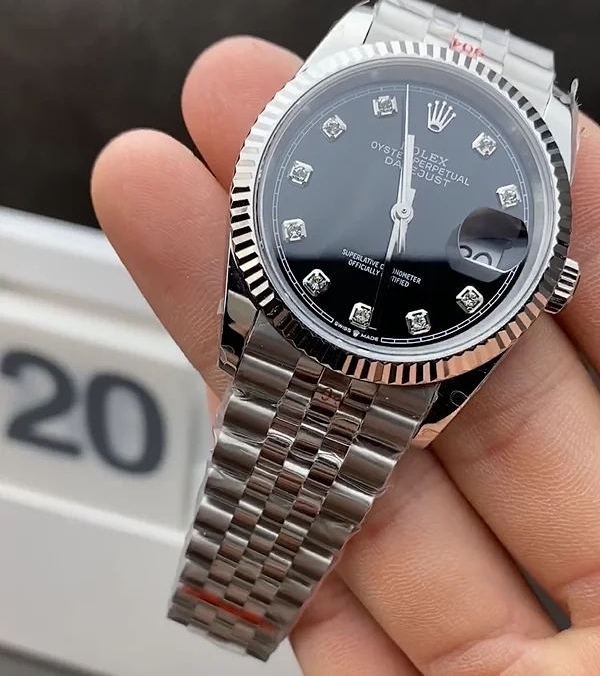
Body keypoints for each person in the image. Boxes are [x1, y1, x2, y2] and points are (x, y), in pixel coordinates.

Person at [91, 35, 600, 676]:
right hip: (288, 316)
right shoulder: (351, 74)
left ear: (549, 281)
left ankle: (232, 609)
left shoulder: (532, 186)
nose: (403, 212)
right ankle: (226, 606)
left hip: (395, 369)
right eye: (401, 208)